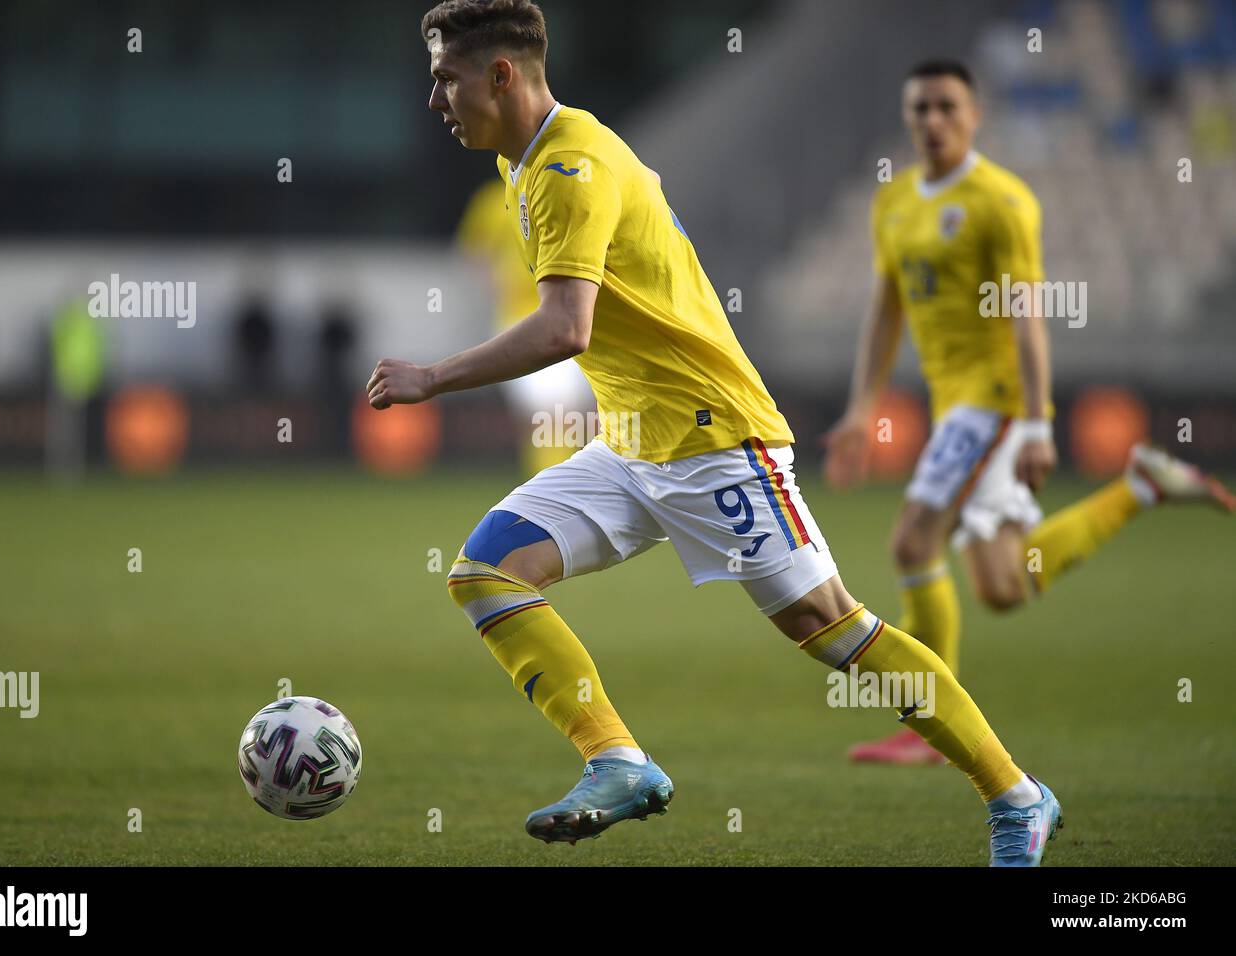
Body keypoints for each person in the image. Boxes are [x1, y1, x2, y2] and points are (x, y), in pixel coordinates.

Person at [368, 2, 1061, 865]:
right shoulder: (530, 161)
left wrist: (432, 376)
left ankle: (1017, 796)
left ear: (501, 74)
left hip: (711, 437)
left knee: (831, 627)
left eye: (446, 77)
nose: (436, 97)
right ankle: (617, 760)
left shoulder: (569, 166)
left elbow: (564, 329)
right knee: (487, 572)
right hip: (633, 441)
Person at [823, 60, 1234, 766]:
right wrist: (862, 407)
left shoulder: (1001, 201)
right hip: (957, 403)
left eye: (947, 107)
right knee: (1003, 585)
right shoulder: (893, 202)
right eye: (919, 109)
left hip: (998, 400)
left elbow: (1027, 315)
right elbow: (886, 307)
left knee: (912, 542)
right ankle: (1143, 486)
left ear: (975, 115)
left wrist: (1040, 422)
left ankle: (929, 728)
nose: (932, 121)